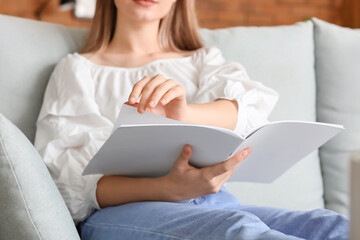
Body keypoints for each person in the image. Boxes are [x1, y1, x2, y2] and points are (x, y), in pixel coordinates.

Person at [34, 0, 349, 239]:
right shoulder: (78, 71)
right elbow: (69, 183)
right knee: (239, 230)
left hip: (215, 203)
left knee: (333, 226)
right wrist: (167, 188)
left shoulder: (203, 62)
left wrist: (185, 113)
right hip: (124, 212)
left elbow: (249, 113)